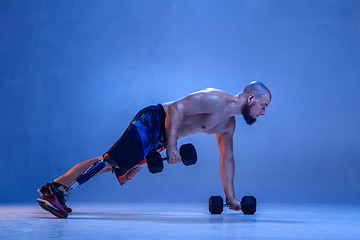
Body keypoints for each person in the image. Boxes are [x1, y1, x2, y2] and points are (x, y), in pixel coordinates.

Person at [36, 81, 271, 218]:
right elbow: (176, 109)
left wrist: (230, 197)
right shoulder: (216, 98)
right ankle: (55, 191)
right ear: (251, 98)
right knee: (110, 161)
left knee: (110, 164)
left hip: (162, 138)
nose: (263, 112)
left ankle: (54, 186)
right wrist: (172, 145)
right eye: (263, 105)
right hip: (154, 120)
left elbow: (227, 158)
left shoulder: (228, 124)